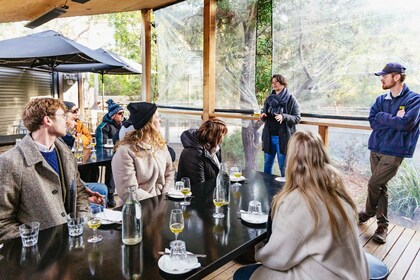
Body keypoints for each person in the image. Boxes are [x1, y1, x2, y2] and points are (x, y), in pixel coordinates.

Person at [234, 131, 369, 280]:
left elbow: (278, 258)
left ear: (291, 160)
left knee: (244, 274)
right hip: (354, 273)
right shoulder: (339, 194)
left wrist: (258, 250)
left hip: (325, 275)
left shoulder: (298, 202)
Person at [0, 98, 89, 241]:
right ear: (48, 120)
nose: (67, 121)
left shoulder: (66, 153)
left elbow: (80, 193)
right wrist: (37, 243)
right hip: (39, 258)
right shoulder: (10, 162)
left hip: (72, 248)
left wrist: (81, 222)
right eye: (63, 116)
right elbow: (3, 222)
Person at [359, 62, 420, 244]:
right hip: (376, 148)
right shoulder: (381, 100)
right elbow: (373, 120)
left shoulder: (414, 100)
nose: (382, 79)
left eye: (384, 76)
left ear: (396, 77)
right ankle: (382, 226)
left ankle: (368, 212)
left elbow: (406, 124)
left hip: (394, 151)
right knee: (381, 186)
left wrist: (383, 118)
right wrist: (392, 120)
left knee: (374, 183)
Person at [112, 102, 175, 204]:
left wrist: (166, 196)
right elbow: (128, 191)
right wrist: (157, 204)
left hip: (163, 204)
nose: (160, 121)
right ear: (148, 123)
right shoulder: (125, 152)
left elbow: (170, 172)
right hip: (138, 209)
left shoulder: (159, 144)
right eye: (157, 117)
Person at [62, 110, 107, 207]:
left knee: (96, 177)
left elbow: (88, 138)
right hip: (68, 187)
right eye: (73, 118)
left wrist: (85, 190)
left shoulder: (69, 137)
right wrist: (85, 195)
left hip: (75, 180)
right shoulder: (60, 143)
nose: (75, 123)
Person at [260, 74, 301, 176]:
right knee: (267, 164)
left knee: (284, 166)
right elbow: (265, 113)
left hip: (283, 138)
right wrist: (263, 116)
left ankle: (285, 189)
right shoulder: (269, 99)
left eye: (276, 82)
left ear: (283, 84)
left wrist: (284, 117)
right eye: (272, 82)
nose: (274, 84)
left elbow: (297, 118)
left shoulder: (291, 99)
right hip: (268, 137)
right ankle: (267, 188)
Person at [177, 118, 228, 184]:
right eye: (222, 135)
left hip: (211, 191)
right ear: (215, 137)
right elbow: (199, 187)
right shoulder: (193, 154)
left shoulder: (215, 149)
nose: (223, 138)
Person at [95, 99, 124, 207]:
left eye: (123, 113)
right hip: (105, 156)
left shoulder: (123, 125)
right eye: (120, 113)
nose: (122, 116)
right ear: (112, 115)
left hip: (120, 154)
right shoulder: (103, 127)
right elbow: (101, 145)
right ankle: (110, 195)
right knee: (113, 165)